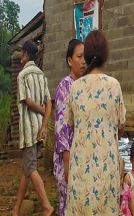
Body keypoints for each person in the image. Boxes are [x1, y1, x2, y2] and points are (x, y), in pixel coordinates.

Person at [65, 29, 126, 215]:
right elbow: (121, 125)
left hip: (80, 169)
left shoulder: (75, 88)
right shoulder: (114, 86)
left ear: (87, 55)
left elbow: (72, 123)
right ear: (106, 55)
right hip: (106, 168)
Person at [12, 40, 54, 216]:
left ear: (26, 55)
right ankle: (16, 210)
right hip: (39, 129)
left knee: (30, 168)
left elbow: (28, 101)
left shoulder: (22, 75)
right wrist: (44, 125)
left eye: (22, 54)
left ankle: (46, 206)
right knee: (27, 168)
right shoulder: (41, 76)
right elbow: (49, 103)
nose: (21, 57)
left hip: (29, 130)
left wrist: (40, 109)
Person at [53, 39, 85, 216]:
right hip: (68, 157)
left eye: (85, 57)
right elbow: (62, 127)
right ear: (69, 60)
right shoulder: (65, 87)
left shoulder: (84, 86)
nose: (83, 61)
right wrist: (67, 161)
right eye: (79, 57)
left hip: (81, 158)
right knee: (68, 206)